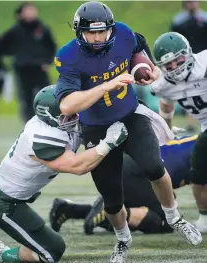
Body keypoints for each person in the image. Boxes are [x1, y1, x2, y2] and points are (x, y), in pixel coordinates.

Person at [54, 2, 202, 262]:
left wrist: (142, 68)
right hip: (96, 127)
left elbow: (139, 47)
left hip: (131, 115)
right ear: (79, 32)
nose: (98, 38)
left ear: (110, 28)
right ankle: (123, 238)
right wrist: (107, 86)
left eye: (102, 32)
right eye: (91, 33)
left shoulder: (122, 33)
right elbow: (67, 104)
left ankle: (175, 217)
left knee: (155, 167)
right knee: (112, 198)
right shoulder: (69, 56)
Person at [0, 85, 128, 263]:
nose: (74, 115)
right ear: (50, 116)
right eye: (67, 113)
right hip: (2, 201)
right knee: (52, 251)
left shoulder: (57, 122)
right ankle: (4, 255)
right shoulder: (42, 136)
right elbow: (78, 166)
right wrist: (108, 143)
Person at [50, 135, 199, 235]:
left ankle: (69, 209)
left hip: (125, 165)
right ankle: (109, 216)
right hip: (140, 174)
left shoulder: (194, 141)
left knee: (141, 203)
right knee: (165, 222)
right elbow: (201, 187)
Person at [151, 31, 207, 235]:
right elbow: (166, 106)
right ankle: (205, 217)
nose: (174, 67)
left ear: (189, 54)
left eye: (178, 60)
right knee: (197, 174)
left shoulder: (204, 63)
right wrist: (166, 130)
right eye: (168, 65)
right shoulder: (163, 85)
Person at [0, 2, 57, 122]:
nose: (31, 13)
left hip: (40, 67)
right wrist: (17, 56)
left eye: (33, 10)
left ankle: (50, 119)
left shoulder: (42, 29)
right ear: (21, 14)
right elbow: (1, 47)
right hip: (22, 68)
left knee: (47, 94)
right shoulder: (15, 31)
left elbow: (52, 47)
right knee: (26, 97)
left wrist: (48, 61)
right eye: (28, 10)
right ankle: (29, 122)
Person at [170, 1, 207, 132]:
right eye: (189, 2)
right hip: (186, 62)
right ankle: (191, 123)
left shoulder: (205, 19)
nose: (192, 4)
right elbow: (174, 42)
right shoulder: (179, 22)